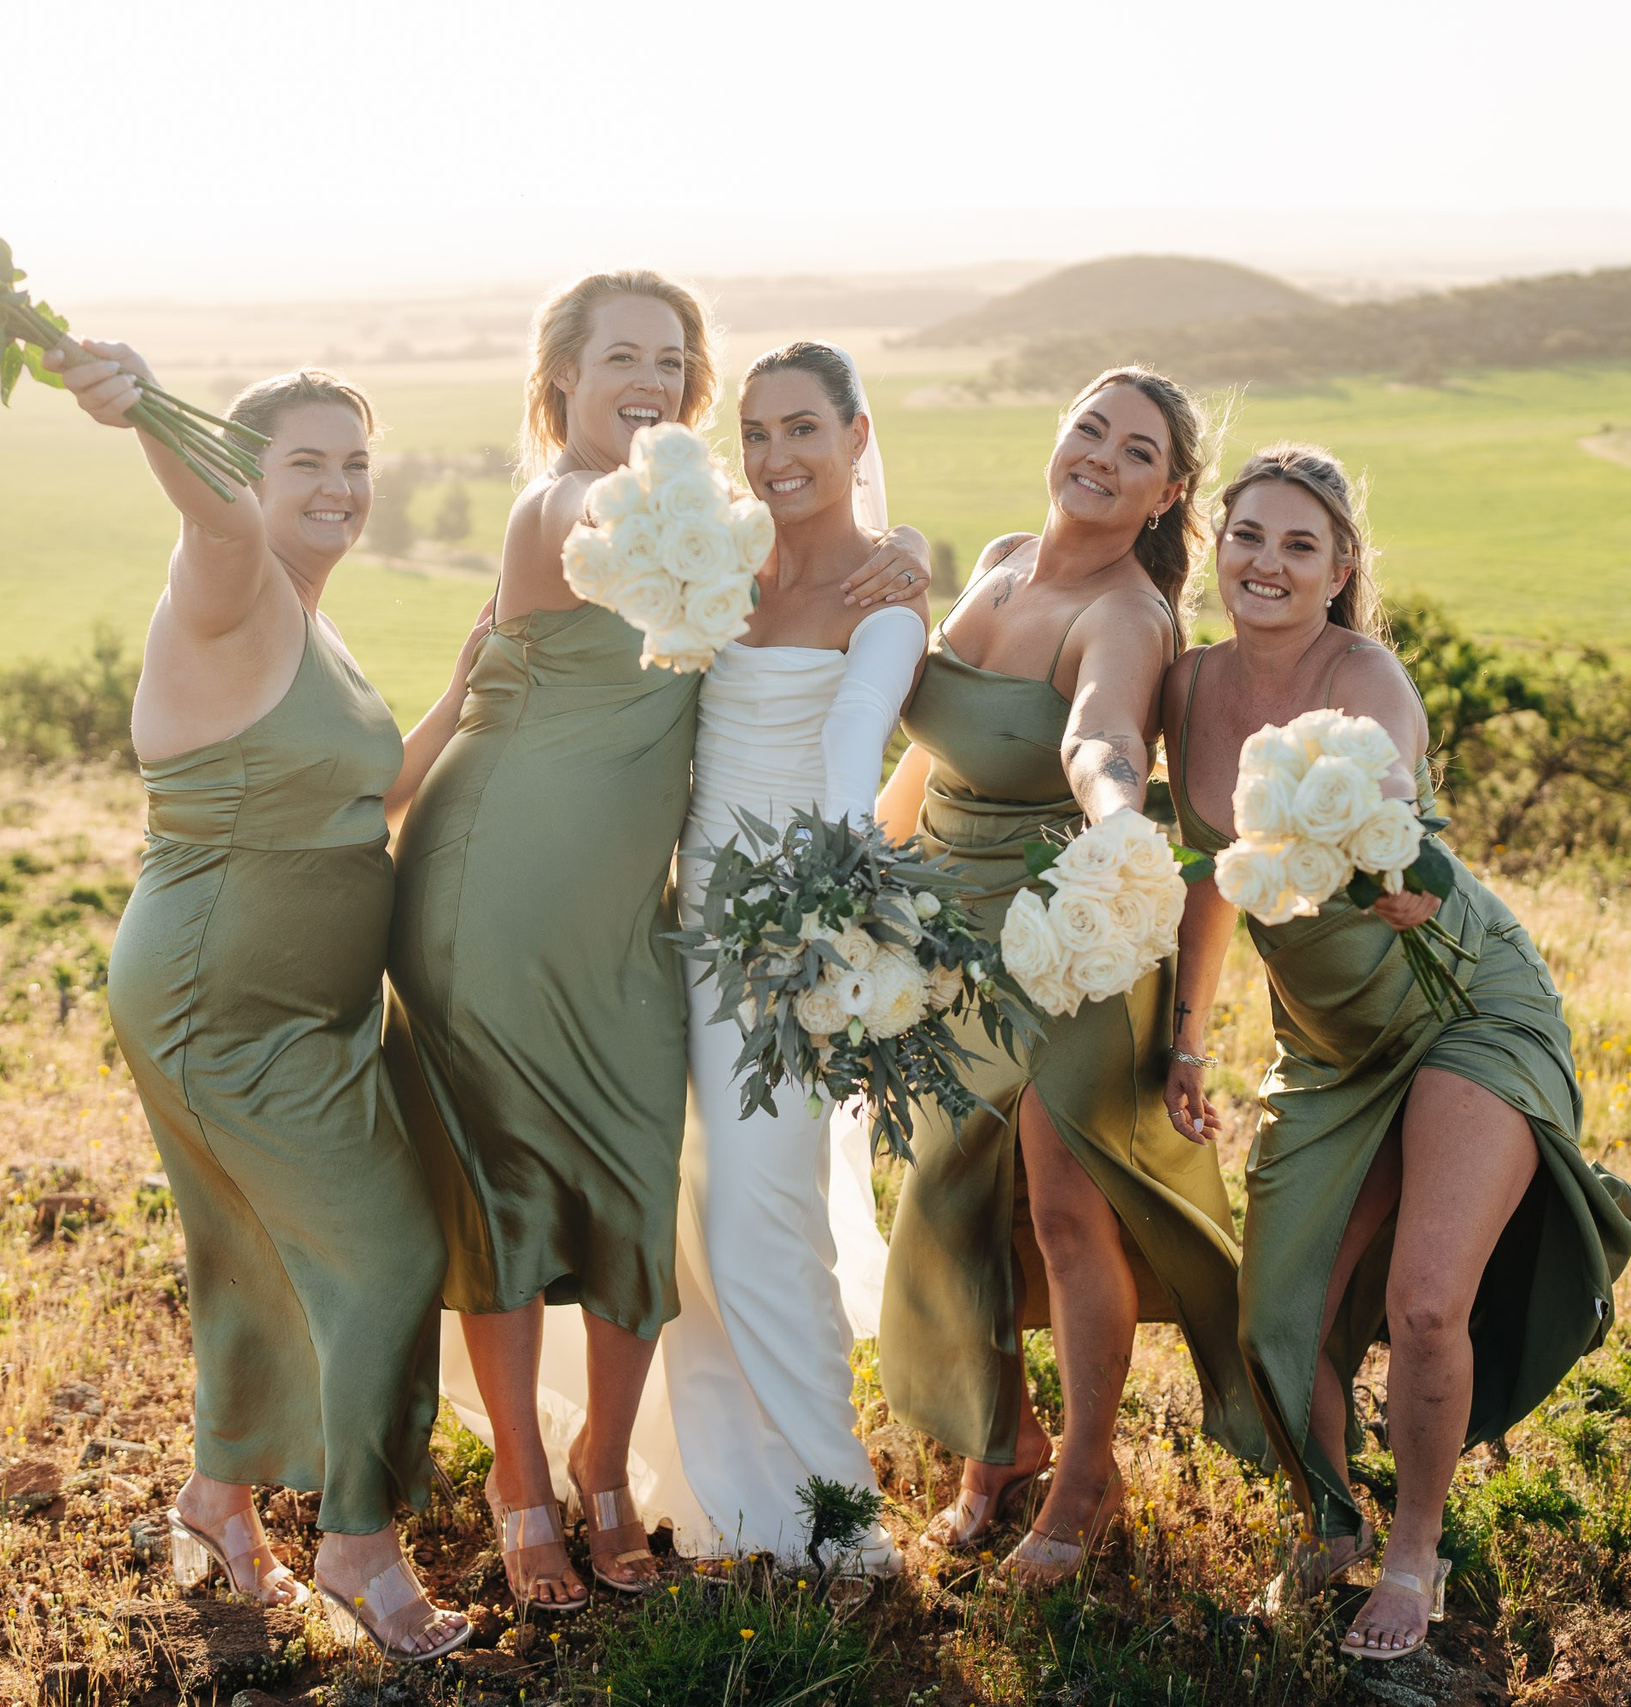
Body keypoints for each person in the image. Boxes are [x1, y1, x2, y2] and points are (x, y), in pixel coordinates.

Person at [387, 273, 929, 1610]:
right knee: (511, 1190)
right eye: (618, 355)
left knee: (637, 1186)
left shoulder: (723, 530)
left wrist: (897, 553)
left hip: (650, 909)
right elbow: (603, 513)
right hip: (503, 883)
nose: (646, 377)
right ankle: (528, 1484)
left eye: (670, 358)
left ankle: (608, 1457)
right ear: (558, 375)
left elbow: (822, 597)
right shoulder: (577, 504)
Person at [1161, 443, 1631, 1661]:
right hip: (1328, 1046)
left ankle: (1410, 1552)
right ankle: (1326, 1522)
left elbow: (1389, 797)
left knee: (1428, 1303)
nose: (1265, 563)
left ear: (1339, 570)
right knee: (1275, 1317)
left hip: (1461, 1002)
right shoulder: (1185, 686)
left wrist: (1397, 871)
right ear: (1217, 547)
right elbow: (1214, 882)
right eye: (1247, 536)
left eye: (1297, 545)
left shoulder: (1364, 675)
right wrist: (1186, 1042)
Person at [53, 342, 484, 1664]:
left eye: (357, 463)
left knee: (246, 1244)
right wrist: (138, 413)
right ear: (249, 474)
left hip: (299, 997)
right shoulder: (231, 579)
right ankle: (356, 1544)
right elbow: (214, 516)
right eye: (310, 462)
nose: (343, 487)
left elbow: (364, 797)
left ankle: (217, 1501)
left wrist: (470, 683)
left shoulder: (309, 614)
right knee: (393, 1249)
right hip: (217, 990)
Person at [875, 366, 1261, 1590]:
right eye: (1087, 427)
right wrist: (852, 883)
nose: (1098, 455)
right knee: (953, 1195)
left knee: (1060, 1206)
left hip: (1064, 938)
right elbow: (927, 758)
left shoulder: (1130, 615)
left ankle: (1087, 1472)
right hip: (940, 932)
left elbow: (1099, 737)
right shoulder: (995, 557)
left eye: (1133, 448)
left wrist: (1112, 813)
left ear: (1167, 492)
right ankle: (1001, 1445)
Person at [654, 340, 927, 1571]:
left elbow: (854, 740)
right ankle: (719, 1499)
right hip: (669, 921)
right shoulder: (722, 568)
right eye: (756, 434)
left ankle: (837, 1514)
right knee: (686, 1207)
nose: (775, 458)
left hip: (786, 935)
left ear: (857, 435)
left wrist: (825, 905)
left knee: (766, 1212)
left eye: (803, 429)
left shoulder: (887, 592)